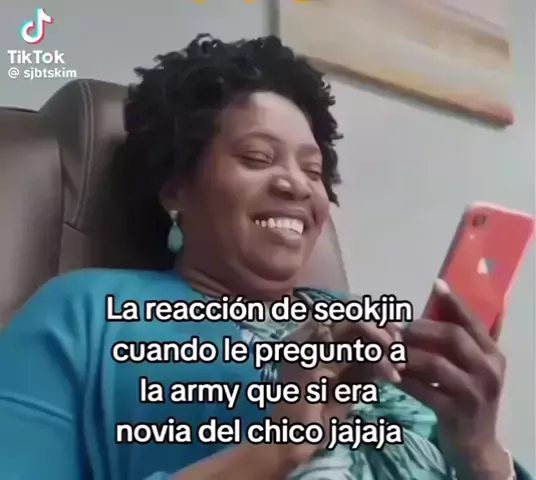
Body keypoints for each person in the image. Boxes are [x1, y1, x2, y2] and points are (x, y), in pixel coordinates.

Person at [0, 34, 530, 480]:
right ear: (176, 186)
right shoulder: (84, 315)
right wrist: (273, 451)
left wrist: (483, 453)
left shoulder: (370, 331)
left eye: (313, 170)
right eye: (257, 157)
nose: (296, 185)